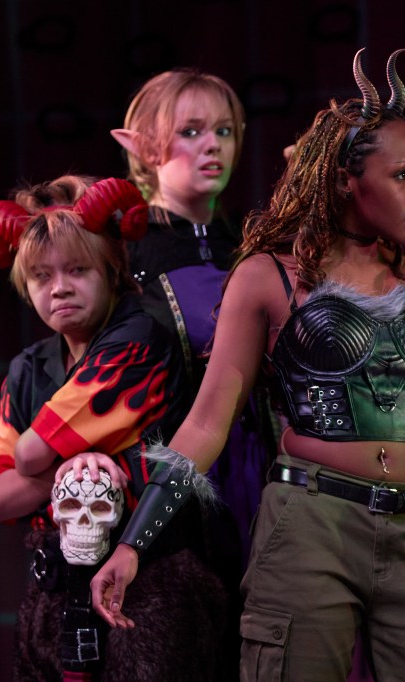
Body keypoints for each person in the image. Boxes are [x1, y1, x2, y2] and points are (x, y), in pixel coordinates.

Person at [90, 48, 405, 681]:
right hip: (314, 521)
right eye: (402, 175)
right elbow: (206, 423)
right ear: (345, 181)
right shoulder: (267, 276)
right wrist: (131, 544)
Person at [0, 175, 227, 681]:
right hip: (54, 587)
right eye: (42, 276)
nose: (59, 287)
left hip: (152, 582)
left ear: (111, 269)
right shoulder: (27, 368)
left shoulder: (137, 342)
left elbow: (28, 455)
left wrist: (47, 467)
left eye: (77, 269)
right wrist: (74, 467)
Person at [110, 68, 273, 570]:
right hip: (168, 474)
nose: (212, 145)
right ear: (143, 147)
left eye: (224, 130)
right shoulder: (122, 256)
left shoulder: (251, 247)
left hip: (260, 471)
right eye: (191, 131)